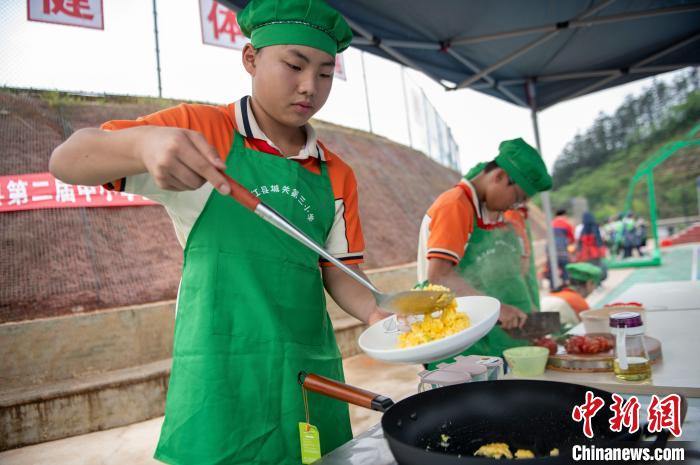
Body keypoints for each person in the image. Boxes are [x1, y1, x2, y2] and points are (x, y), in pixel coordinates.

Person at [49, 1, 389, 463]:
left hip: (312, 376)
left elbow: (339, 270)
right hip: (220, 378)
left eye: (326, 73)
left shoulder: (336, 174)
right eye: (294, 64)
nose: (310, 86)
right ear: (250, 58)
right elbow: (68, 160)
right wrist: (143, 143)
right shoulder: (199, 132)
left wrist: (376, 313)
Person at [416, 138, 552, 360]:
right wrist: (498, 308)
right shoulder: (455, 205)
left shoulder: (485, 210)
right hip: (455, 340)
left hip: (477, 335)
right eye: (516, 198)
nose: (514, 207)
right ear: (498, 176)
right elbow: (439, 276)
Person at [575, 211, 608, 281]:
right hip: (595, 252)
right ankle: (598, 282)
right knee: (597, 267)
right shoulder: (597, 227)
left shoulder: (579, 228)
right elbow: (602, 239)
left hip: (585, 252)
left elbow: (577, 240)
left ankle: (589, 282)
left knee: (587, 268)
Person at [548, 208, 575, 287]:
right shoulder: (566, 224)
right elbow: (572, 239)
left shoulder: (551, 223)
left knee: (552, 269)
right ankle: (566, 285)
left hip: (550, 250)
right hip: (562, 249)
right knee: (565, 268)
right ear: (564, 215)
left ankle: (553, 287)